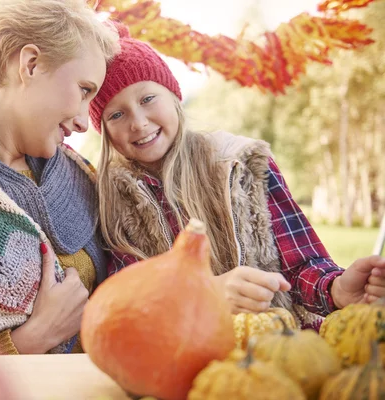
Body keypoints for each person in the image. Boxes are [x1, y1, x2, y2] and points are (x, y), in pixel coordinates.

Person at [88, 23, 385, 329]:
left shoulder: (242, 165)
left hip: (278, 344)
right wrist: (204, 296)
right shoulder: (113, 200)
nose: (138, 122)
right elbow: (126, 300)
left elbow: (298, 265)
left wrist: (336, 289)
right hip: (185, 355)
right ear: (104, 131)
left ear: (173, 96)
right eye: (116, 114)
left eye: (147, 99)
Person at [0, 0, 119, 354]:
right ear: (30, 64)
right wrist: (34, 338)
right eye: (84, 90)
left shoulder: (83, 175)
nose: (84, 120)